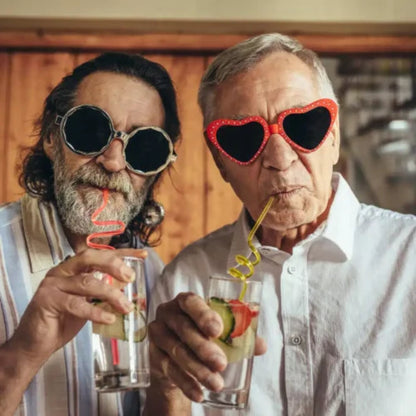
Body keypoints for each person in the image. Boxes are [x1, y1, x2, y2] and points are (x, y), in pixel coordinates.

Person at [146, 33, 416, 416]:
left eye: (303, 126)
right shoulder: (187, 281)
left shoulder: (410, 257)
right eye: (243, 138)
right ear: (220, 163)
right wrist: (168, 388)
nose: (279, 157)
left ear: (334, 137)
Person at [0, 52, 180, 416]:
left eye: (143, 146)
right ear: (52, 137)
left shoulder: (150, 272)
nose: (113, 162)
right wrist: (21, 355)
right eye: (90, 131)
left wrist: (171, 388)